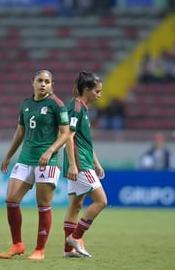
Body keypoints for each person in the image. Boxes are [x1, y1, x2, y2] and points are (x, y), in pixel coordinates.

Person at [0, 69, 71, 261]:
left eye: (47, 81)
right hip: (25, 159)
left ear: (52, 84)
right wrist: (8, 155)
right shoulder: (26, 104)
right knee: (11, 200)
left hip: (47, 161)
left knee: (43, 205)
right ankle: (17, 244)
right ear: (33, 82)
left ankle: (40, 250)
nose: (43, 84)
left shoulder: (57, 105)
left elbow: (65, 134)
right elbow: (20, 133)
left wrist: (50, 151)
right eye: (40, 80)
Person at [62, 71, 107, 258]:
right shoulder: (76, 108)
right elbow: (68, 137)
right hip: (80, 163)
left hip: (85, 161)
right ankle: (76, 237)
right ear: (86, 90)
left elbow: (85, 141)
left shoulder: (84, 109)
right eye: (97, 91)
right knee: (101, 201)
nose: (99, 94)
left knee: (75, 206)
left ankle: (68, 250)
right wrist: (73, 165)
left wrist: (97, 163)